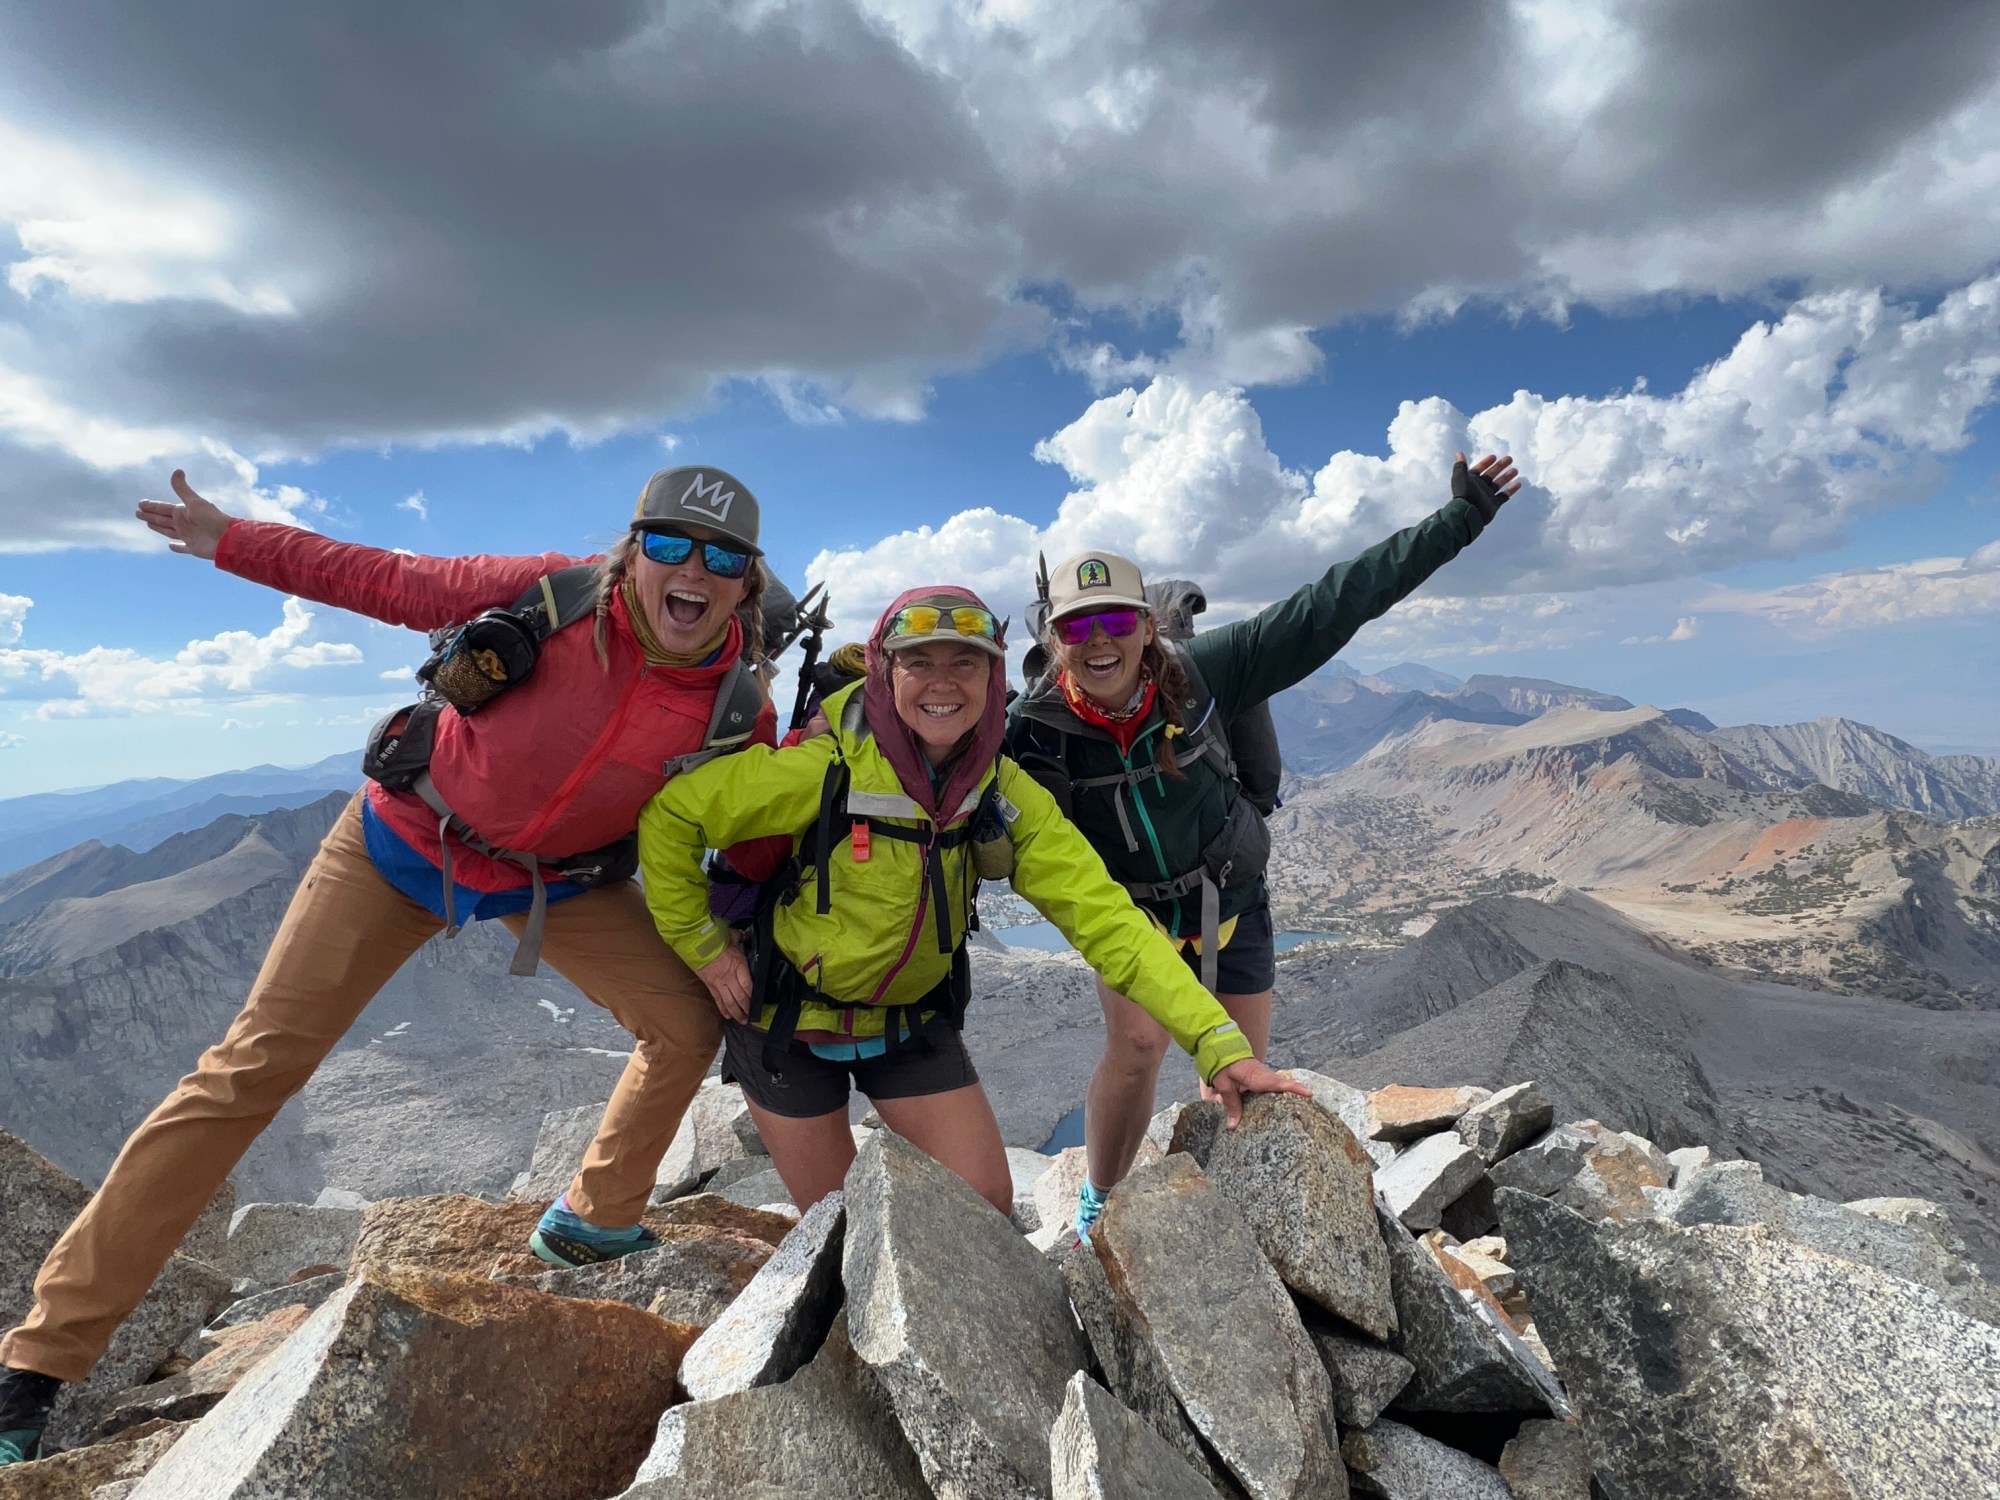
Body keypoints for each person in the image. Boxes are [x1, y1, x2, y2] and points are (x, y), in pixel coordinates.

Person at [0, 465, 787, 1467]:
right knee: (248, 1073)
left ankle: (593, 1222)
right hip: (401, 844)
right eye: (671, 546)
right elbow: (386, 577)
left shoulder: (737, 707)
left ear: (745, 583)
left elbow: (744, 838)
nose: (694, 571)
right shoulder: (549, 594)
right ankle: (37, 1363)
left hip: (548, 883)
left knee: (684, 1023)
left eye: (721, 558)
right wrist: (230, 539)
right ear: (632, 554)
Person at [635, 586, 1308, 1214]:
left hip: (907, 1021)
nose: (943, 683)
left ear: (993, 677)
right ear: (885, 672)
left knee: (985, 1209)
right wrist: (704, 948)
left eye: (966, 662)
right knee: (843, 1228)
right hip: (786, 1022)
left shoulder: (999, 789)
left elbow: (1108, 920)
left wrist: (1218, 1043)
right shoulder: (825, 765)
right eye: (919, 662)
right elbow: (671, 818)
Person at [1006, 453, 1523, 1241]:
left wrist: (1461, 519)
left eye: (1118, 622)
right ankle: (1100, 1202)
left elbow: (1335, 603)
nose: (1099, 641)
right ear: (1055, 637)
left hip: (1230, 897)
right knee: (1137, 1046)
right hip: (1129, 917)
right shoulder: (1034, 731)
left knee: (1238, 1066)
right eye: (1079, 626)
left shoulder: (1207, 672)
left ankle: (1232, 1205)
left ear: (1147, 627)